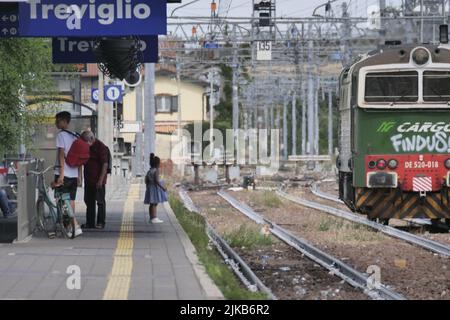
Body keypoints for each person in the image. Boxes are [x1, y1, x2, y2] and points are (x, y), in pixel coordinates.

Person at [54, 111, 83, 237]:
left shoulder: (61, 136)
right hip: (74, 174)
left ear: (65, 121)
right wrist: (79, 175)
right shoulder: (76, 135)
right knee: (71, 200)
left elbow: (61, 155)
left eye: (58, 120)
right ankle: (71, 227)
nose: (56, 123)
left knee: (61, 200)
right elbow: (80, 158)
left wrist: (61, 174)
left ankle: (74, 225)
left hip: (64, 173)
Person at [80, 131, 108, 229]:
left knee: (100, 201)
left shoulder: (101, 147)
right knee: (88, 201)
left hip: (98, 180)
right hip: (88, 180)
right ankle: (90, 222)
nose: (84, 143)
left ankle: (101, 222)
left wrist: (100, 180)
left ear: (91, 138)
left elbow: (105, 164)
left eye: (85, 141)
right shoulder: (87, 147)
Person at [144, 154, 167, 224]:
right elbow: (157, 181)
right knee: (154, 203)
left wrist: (147, 186)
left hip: (150, 187)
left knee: (151, 203)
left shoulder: (150, 170)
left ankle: (151, 218)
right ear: (157, 164)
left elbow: (146, 180)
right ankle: (154, 218)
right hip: (154, 188)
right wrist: (163, 188)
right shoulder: (156, 170)